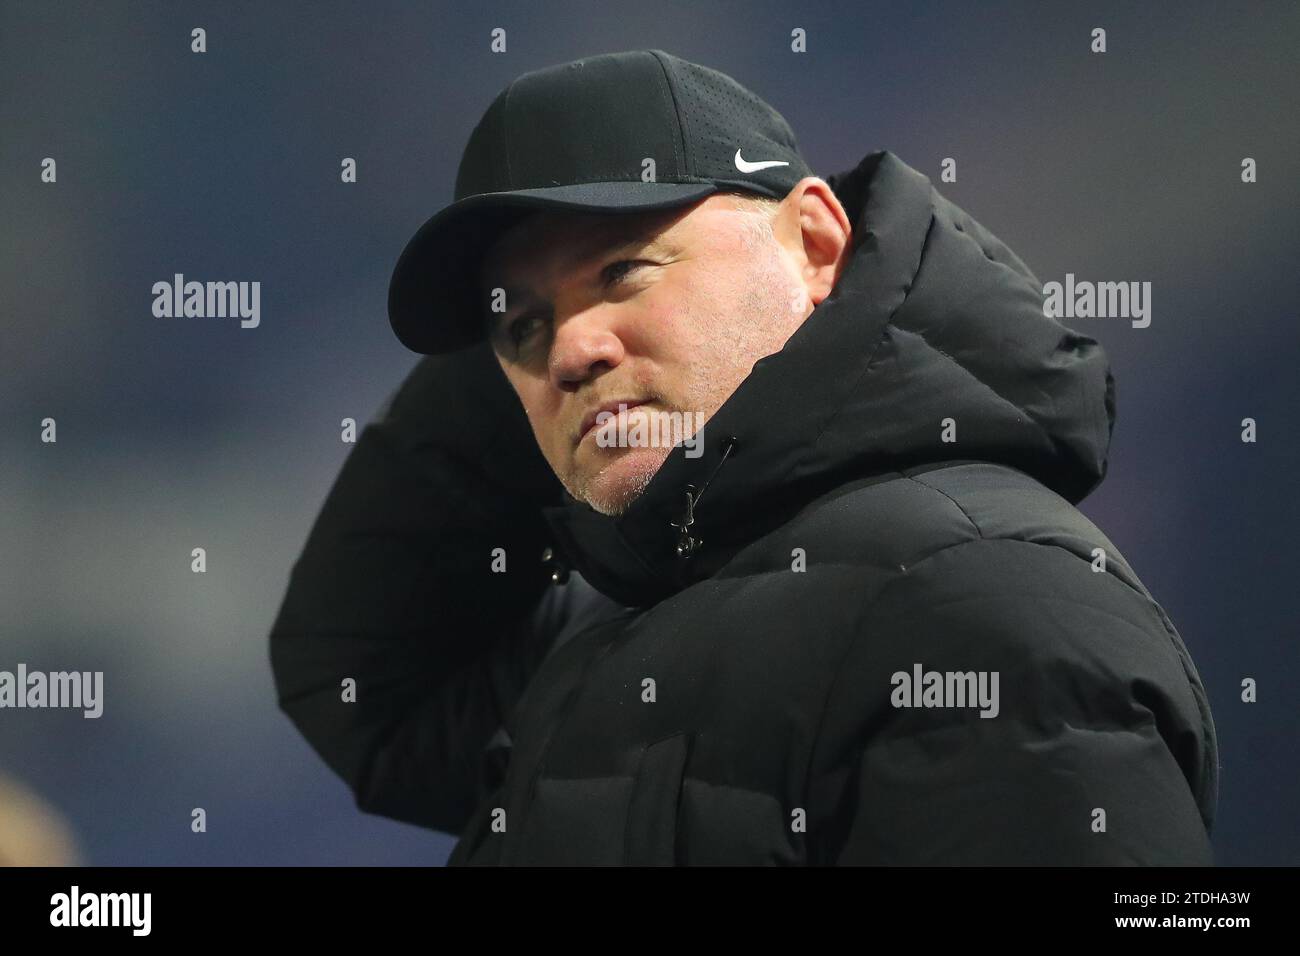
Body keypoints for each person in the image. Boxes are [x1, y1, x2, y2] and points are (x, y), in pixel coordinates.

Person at [269, 49, 1218, 865]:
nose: (569, 350)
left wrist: (564, 331)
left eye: (623, 270)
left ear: (813, 243)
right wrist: (545, 339)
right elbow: (366, 683)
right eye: (524, 326)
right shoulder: (618, 627)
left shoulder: (987, 604)